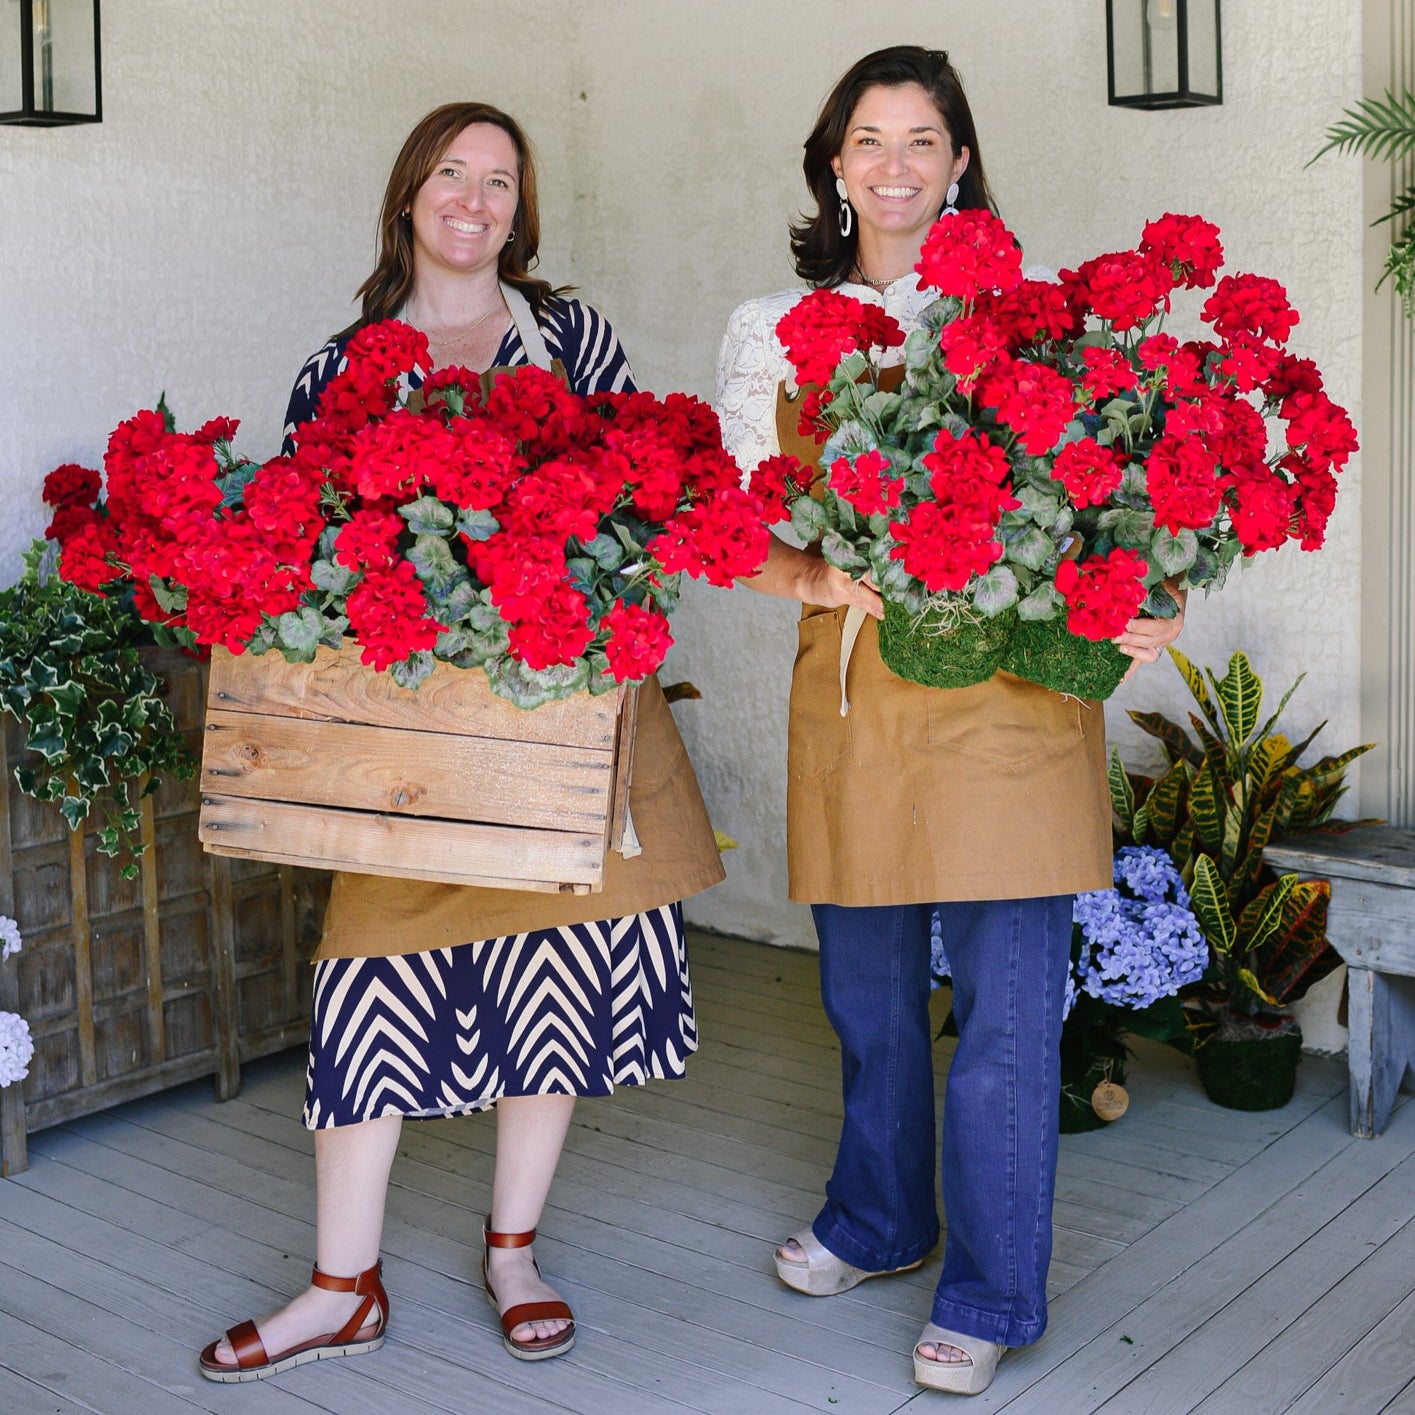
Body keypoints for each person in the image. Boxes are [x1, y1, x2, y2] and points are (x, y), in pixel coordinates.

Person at [199, 101, 724, 1382]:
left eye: (500, 181)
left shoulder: (570, 336)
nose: (475, 200)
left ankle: (512, 1252)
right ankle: (341, 1285)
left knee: (555, 988)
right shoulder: (343, 363)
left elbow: (633, 510)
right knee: (363, 989)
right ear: (408, 195)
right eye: (452, 173)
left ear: (519, 211)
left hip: (551, 728)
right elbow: (302, 555)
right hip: (405, 745)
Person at [716, 47, 1185, 1396]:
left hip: (1013, 698)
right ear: (831, 162)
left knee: (998, 1023)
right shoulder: (771, 326)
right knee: (865, 1000)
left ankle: (986, 1287)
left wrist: (1141, 598)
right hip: (860, 683)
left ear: (960, 162)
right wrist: (805, 572)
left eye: (921, 139)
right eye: (867, 139)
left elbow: (1116, 489)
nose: (893, 165)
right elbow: (731, 519)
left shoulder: (1031, 321)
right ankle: (875, 1219)